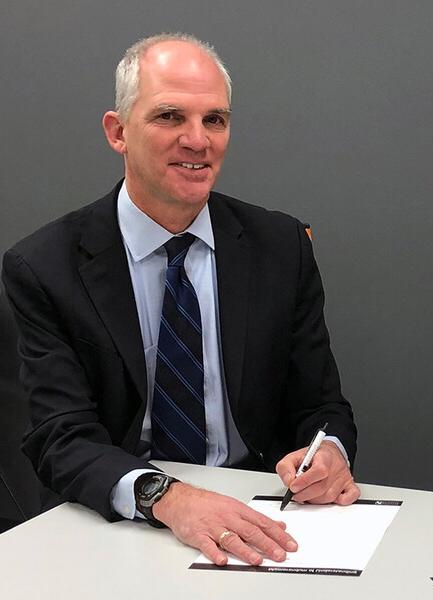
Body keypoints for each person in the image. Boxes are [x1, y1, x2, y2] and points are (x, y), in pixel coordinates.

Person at [2, 33, 359, 567]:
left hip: (256, 516)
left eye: (215, 120)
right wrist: (166, 497)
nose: (198, 141)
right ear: (118, 132)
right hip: (117, 518)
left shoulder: (281, 246)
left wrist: (329, 452)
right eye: (170, 117)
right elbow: (59, 437)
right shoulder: (46, 266)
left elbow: (320, 406)